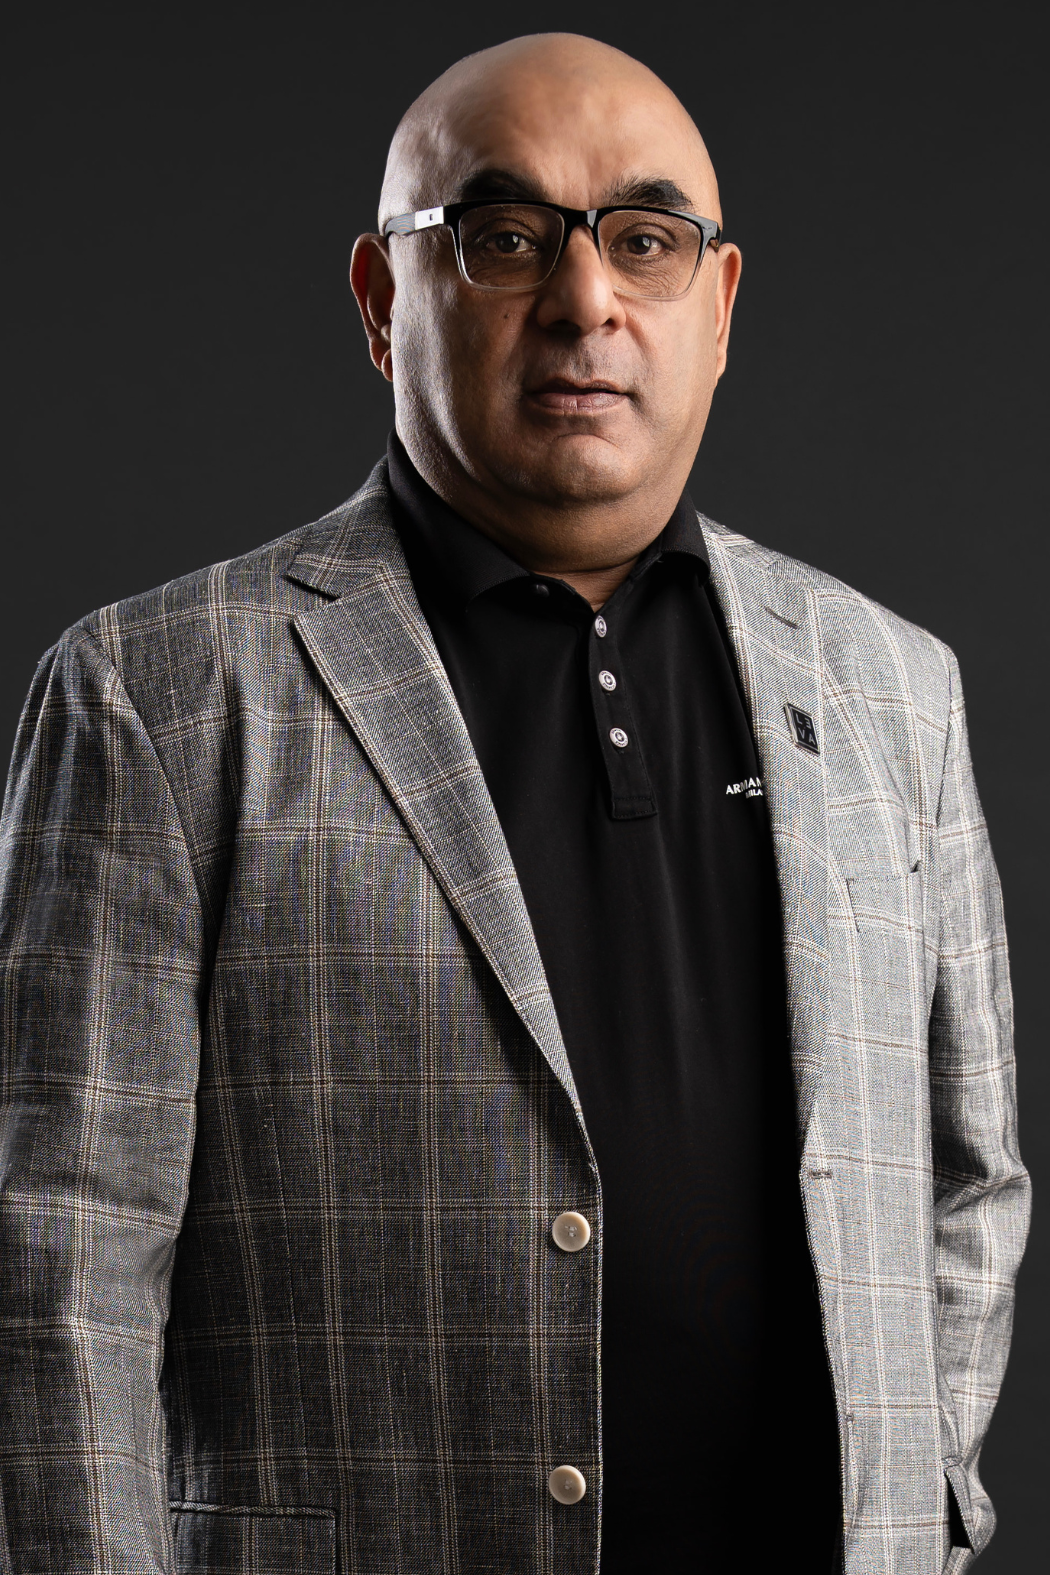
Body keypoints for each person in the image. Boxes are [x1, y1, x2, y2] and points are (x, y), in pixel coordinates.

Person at [0, 31, 1028, 1575]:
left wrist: (922, 1502)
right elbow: (59, 1250)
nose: (584, 299)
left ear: (718, 305)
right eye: (502, 236)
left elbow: (966, 1174)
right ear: (380, 298)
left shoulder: (894, 687)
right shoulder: (157, 693)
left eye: (645, 239)